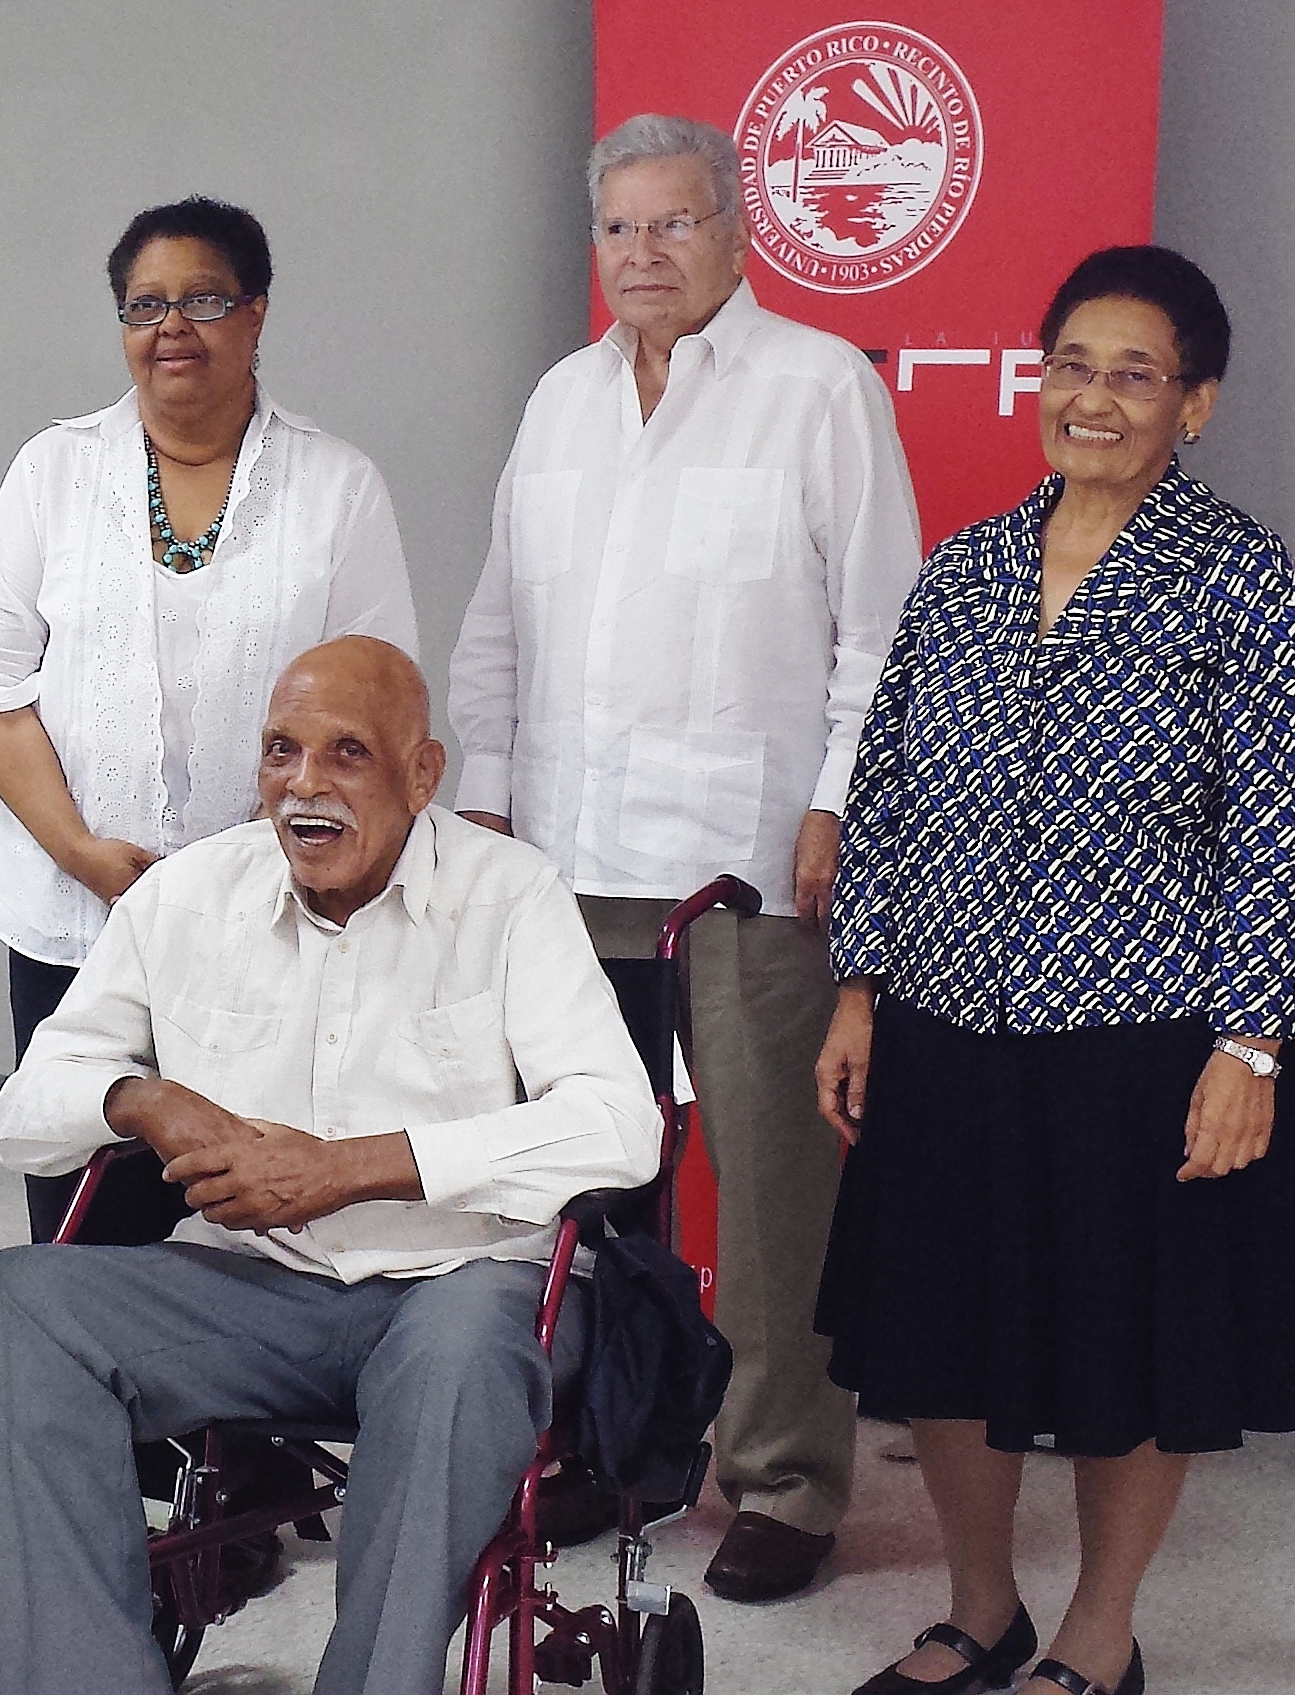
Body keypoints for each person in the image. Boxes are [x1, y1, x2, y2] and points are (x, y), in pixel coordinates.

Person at [813, 245, 1295, 1695]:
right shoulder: (965, 571)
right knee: (939, 1338)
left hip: (1141, 1041)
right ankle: (980, 1608)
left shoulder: (1242, 584)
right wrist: (860, 986)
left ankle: (1099, 1629)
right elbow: (887, 791)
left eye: (1134, 373)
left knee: (1129, 1356)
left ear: (1193, 404)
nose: (1093, 396)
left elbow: (1289, 825)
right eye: (1072, 364)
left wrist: (1252, 1048)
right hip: (945, 1022)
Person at [0, 636, 662, 1695]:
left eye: (348, 755)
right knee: (10, 1303)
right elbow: (25, 1113)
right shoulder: (191, 894)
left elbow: (620, 1126)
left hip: (461, 1286)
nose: (304, 787)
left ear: (425, 776)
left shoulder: (511, 896)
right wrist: (142, 1098)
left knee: (459, 1364)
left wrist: (355, 1168)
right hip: (259, 1288)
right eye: (281, 751)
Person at [446, 112, 920, 1602]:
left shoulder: (818, 388)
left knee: (775, 1186)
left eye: (673, 224)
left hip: (748, 857)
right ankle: (615, 1440)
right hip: (574, 856)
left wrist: (844, 797)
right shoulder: (562, 400)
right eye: (618, 229)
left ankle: (786, 1475)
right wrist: (493, 799)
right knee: (590, 1173)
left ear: (737, 232)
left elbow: (882, 629)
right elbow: (501, 614)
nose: (642, 254)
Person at [0, 194, 416, 1245]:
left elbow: (379, 702)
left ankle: (240, 1406)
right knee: (87, 1213)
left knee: (270, 1206)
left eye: (203, 299)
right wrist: (84, 856)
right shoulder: (53, 471)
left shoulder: (336, 486)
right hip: (78, 917)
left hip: (280, 921)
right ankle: (110, 1409)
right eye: (143, 305)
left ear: (256, 314)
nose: (172, 328)